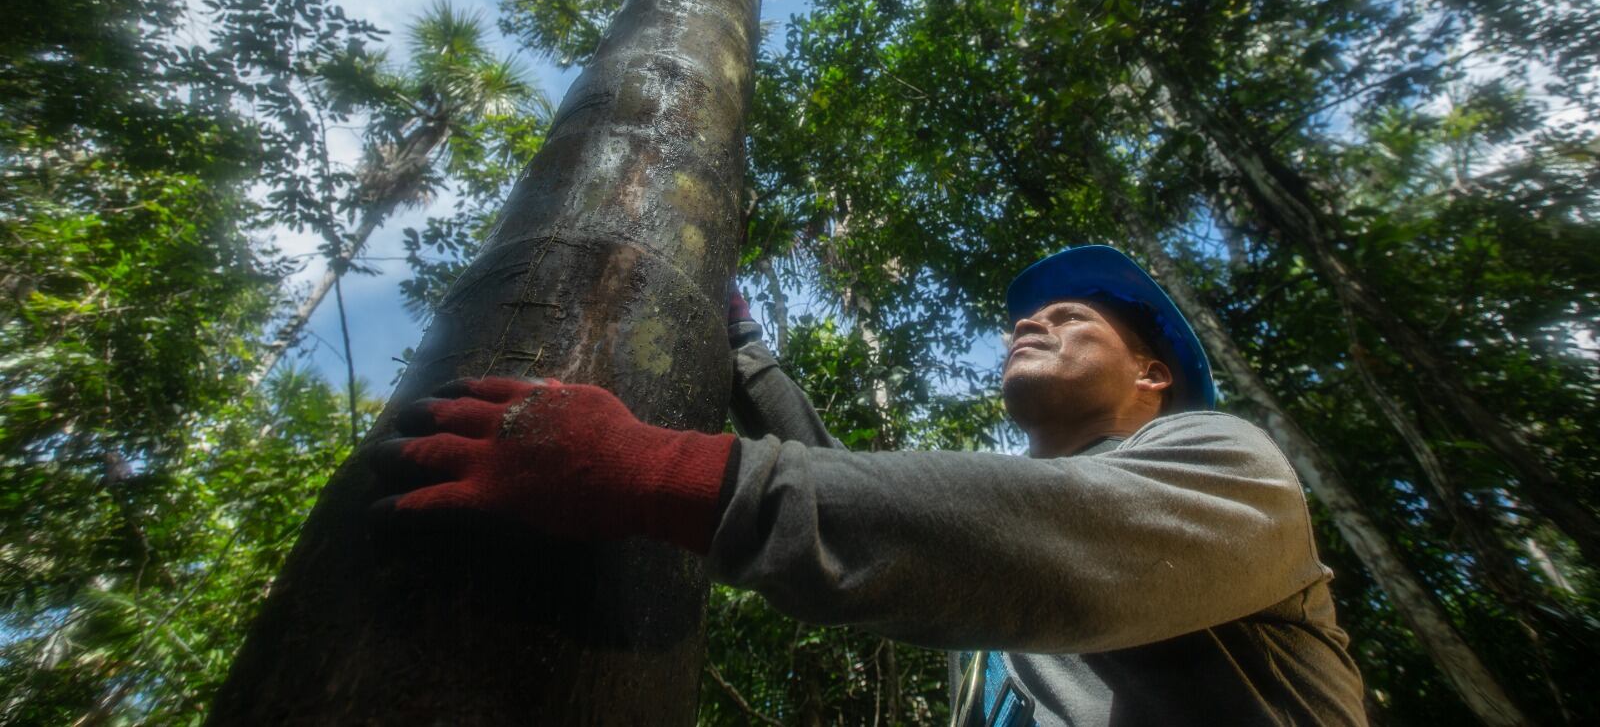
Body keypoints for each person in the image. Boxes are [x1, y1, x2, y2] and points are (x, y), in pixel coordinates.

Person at [371, 245, 1367, 725]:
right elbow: (913, 524)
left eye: (1070, 318)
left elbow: (1039, 543)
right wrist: (747, 355)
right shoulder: (996, 550)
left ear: (1153, 374)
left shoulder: (1226, 459)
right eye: (1026, 318)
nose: (1028, 324)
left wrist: (652, 469)